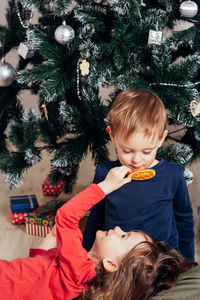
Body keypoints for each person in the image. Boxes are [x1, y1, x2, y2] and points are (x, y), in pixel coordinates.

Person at [83, 89, 195, 262]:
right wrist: (84, 255)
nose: (136, 160)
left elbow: (184, 220)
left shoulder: (173, 175)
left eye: (147, 151)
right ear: (112, 135)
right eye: (127, 150)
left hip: (162, 259)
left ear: (161, 138)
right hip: (118, 260)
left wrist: (187, 260)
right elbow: (96, 217)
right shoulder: (105, 173)